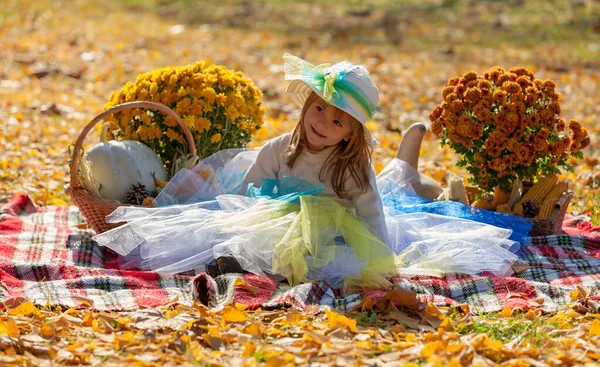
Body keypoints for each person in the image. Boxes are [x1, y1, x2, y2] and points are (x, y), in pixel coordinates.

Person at [93, 53, 528, 291]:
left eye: (336, 120)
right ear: (306, 107)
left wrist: (381, 255)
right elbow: (247, 191)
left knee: (330, 253)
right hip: (276, 219)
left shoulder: (352, 167)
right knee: (245, 236)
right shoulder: (280, 148)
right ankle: (235, 262)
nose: (322, 122)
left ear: (348, 135)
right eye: (318, 109)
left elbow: (371, 207)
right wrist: (235, 220)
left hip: (337, 228)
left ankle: (406, 166)